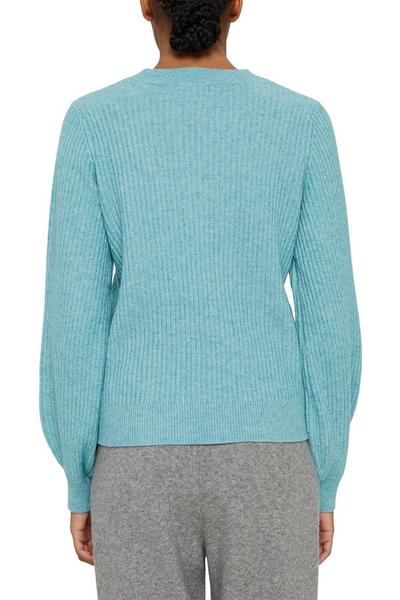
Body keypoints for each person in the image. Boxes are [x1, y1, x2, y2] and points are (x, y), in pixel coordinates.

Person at [39, 1, 362, 598]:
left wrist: (79, 475)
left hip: (134, 461)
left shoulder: (94, 123)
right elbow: (330, 319)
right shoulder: (301, 123)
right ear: (236, 4)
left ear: (145, 5)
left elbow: (74, 319)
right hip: (273, 459)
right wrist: (325, 476)